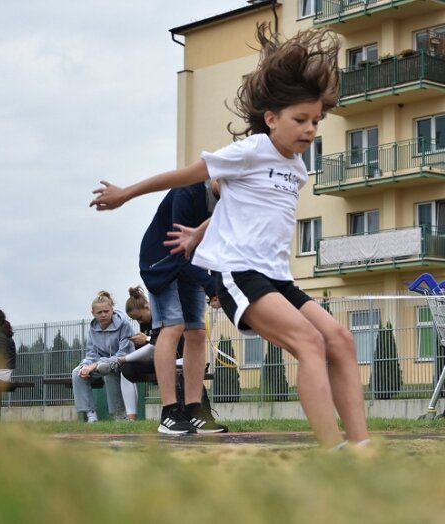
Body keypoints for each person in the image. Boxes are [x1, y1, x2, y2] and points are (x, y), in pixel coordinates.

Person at [90, 24, 370, 450]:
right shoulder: (250, 151)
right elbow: (185, 175)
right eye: (300, 120)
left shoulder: (297, 169)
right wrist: (126, 193)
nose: (311, 129)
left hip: (278, 277)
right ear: (272, 118)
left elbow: (236, 210)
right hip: (241, 274)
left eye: (316, 120)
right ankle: (335, 452)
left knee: (340, 339)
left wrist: (199, 234)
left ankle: (362, 447)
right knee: (310, 342)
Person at [100, 286, 226, 434]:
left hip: (180, 359)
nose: (139, 321)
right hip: (163, 359)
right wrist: (131, 355)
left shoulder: (164, 315)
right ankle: (134, 418)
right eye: (135, 319)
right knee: (127, 369)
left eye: (139, 318)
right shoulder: (148, 322)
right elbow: (153, 348)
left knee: (183, 366)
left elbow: (155, 345)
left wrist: (126, 355)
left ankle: (196, 413)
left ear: (148, 308)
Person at [72, 290, 135, 423]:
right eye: (99, 312)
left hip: (122, 364)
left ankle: (119, 414)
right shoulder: (92, 329)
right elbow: (91, 354)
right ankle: (91, 414)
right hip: (99, 364)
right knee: (76, 373)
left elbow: (123, 353)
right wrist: (85, 366)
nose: (103, 315)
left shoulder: (124, 325)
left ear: (112, 310)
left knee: (106, 369)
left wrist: (95, 365)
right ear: (93, 313)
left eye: (106, 311)